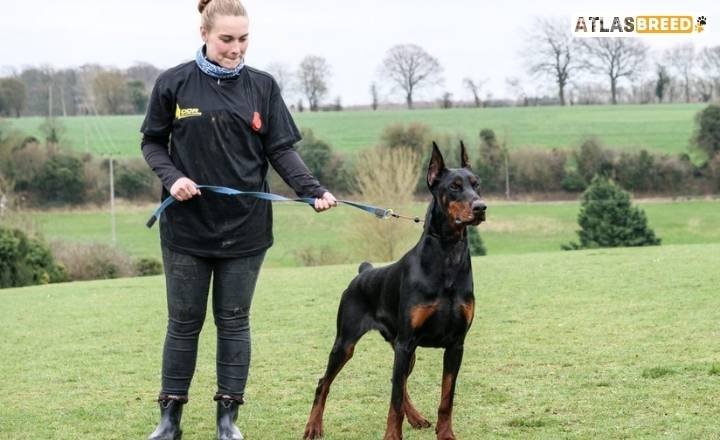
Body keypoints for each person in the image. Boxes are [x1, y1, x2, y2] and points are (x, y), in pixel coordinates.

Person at [140, 1, 337, 439]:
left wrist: (313, 190)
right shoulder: (174, 82)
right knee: (183, 322)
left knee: (233, 320)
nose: (236, 48)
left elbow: (280, 149)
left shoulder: (262, 87)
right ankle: (169, 420)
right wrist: (173, 179)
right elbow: (152, 143)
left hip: (245, 230)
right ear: (204, 33)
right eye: (226, 39)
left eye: (243, 39)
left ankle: (227, 420)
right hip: (186, 229)